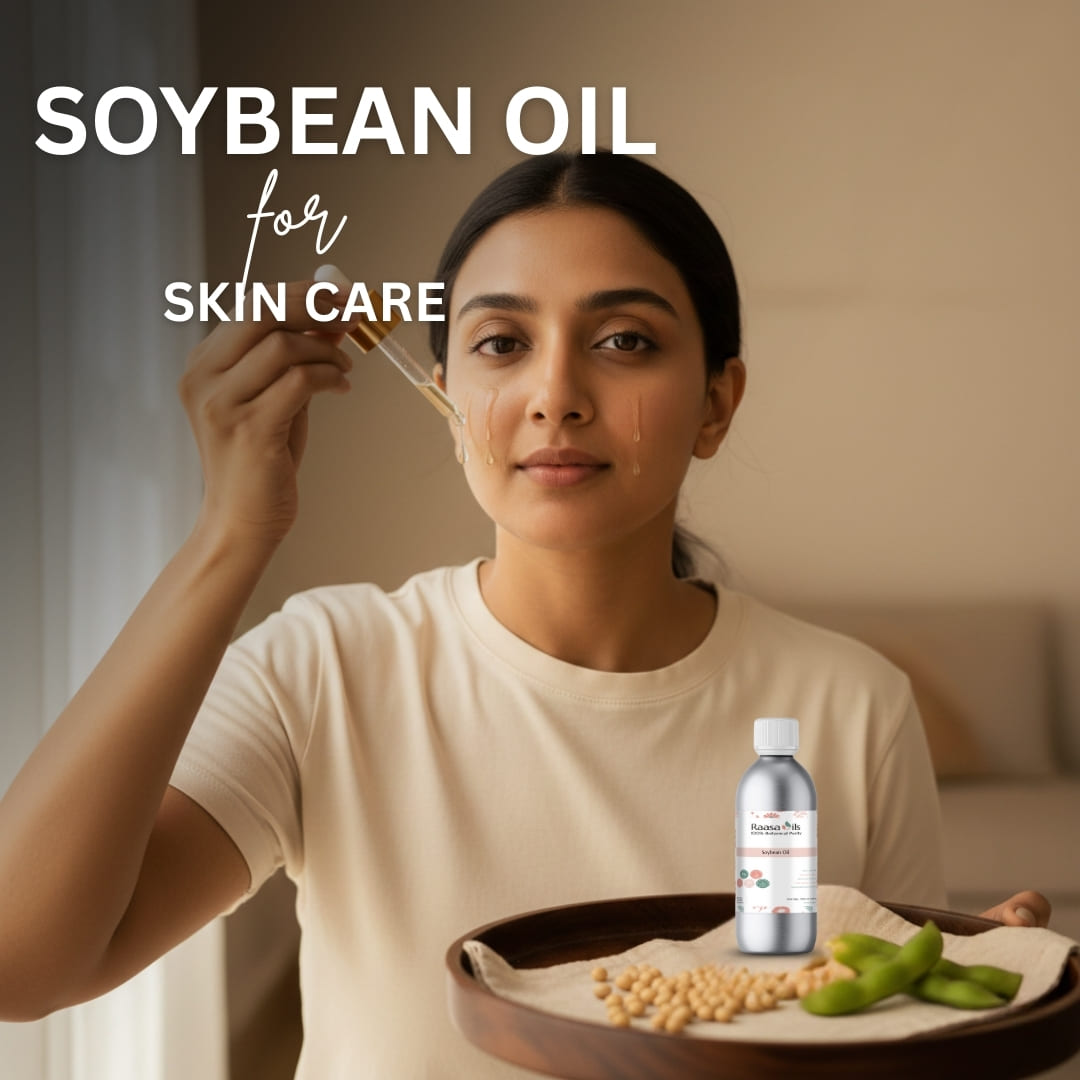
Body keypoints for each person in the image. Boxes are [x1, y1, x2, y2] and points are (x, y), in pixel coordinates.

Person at [0, 152, 1051, 1077]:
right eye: (501, 343)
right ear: (445, 388)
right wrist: (228, 537)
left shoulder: (851, 705)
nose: (555, 392)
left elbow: (877, 1051)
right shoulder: (324, 668)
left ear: (718, 404)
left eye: (626, 340)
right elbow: (21, 963)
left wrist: (963, 998)